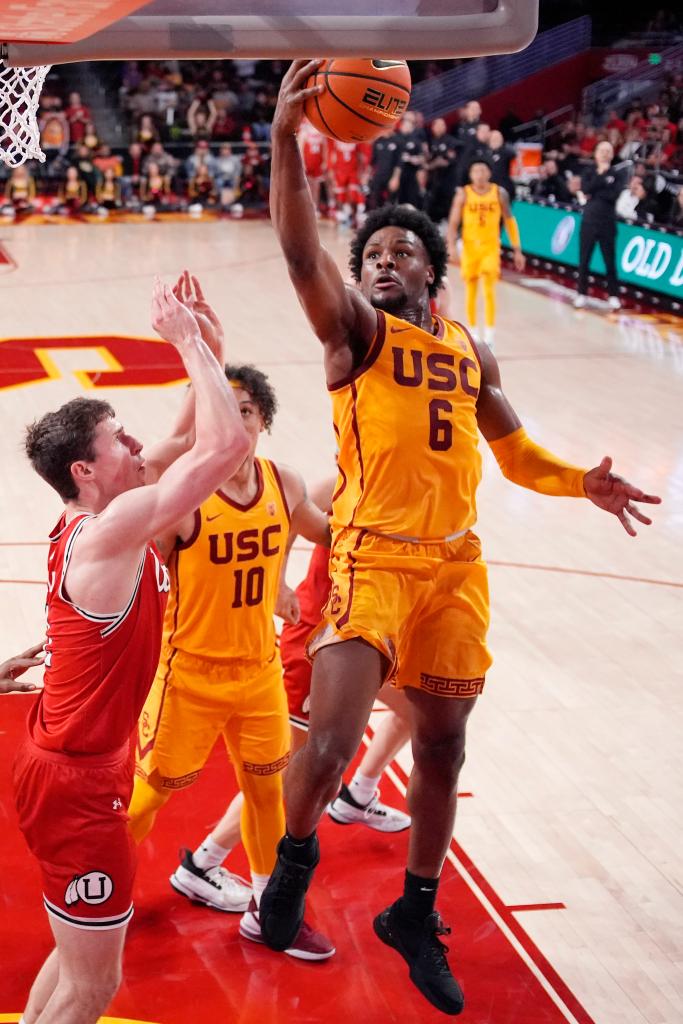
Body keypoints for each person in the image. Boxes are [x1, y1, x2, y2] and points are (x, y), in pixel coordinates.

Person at [258, 59, 661, 1017]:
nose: (383, 262)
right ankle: (290, 864)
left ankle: (414, 908)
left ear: (432, 273)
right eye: (372, 256)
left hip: (454, 569)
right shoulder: (352, 334)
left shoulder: (467, 352)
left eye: (402, 252)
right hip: (370, 556)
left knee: (443, 750)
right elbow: (300, 257)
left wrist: (584, 484)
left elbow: (515, 458)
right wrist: (285, 138)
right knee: (332, 742)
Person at [13, 277, 249, 1024]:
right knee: (95, 987)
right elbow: (226, 445)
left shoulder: (105, 516)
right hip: (76, 785)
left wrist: (208, 348)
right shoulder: (110, 534)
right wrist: (182, 342)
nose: (141, 444)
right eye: (121, 438)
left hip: (74, 763)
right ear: (85, 471)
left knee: (73, 956)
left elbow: (186, 439)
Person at [128, 299, 333, 958]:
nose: (234, 417)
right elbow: (145, 490)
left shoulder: (283, 482)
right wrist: (201, 359)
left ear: (264, 422)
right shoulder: (183, 498)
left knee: (266, 789)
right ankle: (93, 892)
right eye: (225, 407)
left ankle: (269, 910)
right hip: (188, 674)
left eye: (245, 409)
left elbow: (326, 534)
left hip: (258, 674)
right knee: (145, 797)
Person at [279, 476, 411, 831]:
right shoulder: (337, 484)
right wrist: (278, 582)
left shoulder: (407, 486)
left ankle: (359, 796)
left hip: (365, 637)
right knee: (303, 772)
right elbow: (290, 519)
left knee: (417, 711)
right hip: (316, 637)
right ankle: (205, 859)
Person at [447, 158, 525, 350]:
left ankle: (490, 336)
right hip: (470, 247)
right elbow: (453, 222)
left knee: (489, 290)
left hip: (490, 246)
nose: (480, 174)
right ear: (471, 174)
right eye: (476, 171)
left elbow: (509, 221)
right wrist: (450, 245)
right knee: (471, 291)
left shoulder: (499, 193)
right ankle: (473, 333)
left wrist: (517, 249)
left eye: (483, 170)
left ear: (489, 173)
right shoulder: (463, 194)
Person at [569, 140, 625, 310]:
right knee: (584, 260)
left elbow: (613, 195)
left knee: (610, 261)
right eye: (601, 150)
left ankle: (613, 296)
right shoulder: (589, 171)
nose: (604, 153)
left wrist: (597, 189)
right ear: (596, 153)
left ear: (612, 154)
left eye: (608, 151)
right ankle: (581, 293)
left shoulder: (617, 173)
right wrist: (602, 177)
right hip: (589, 220)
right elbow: (586, 189)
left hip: (608, 221)